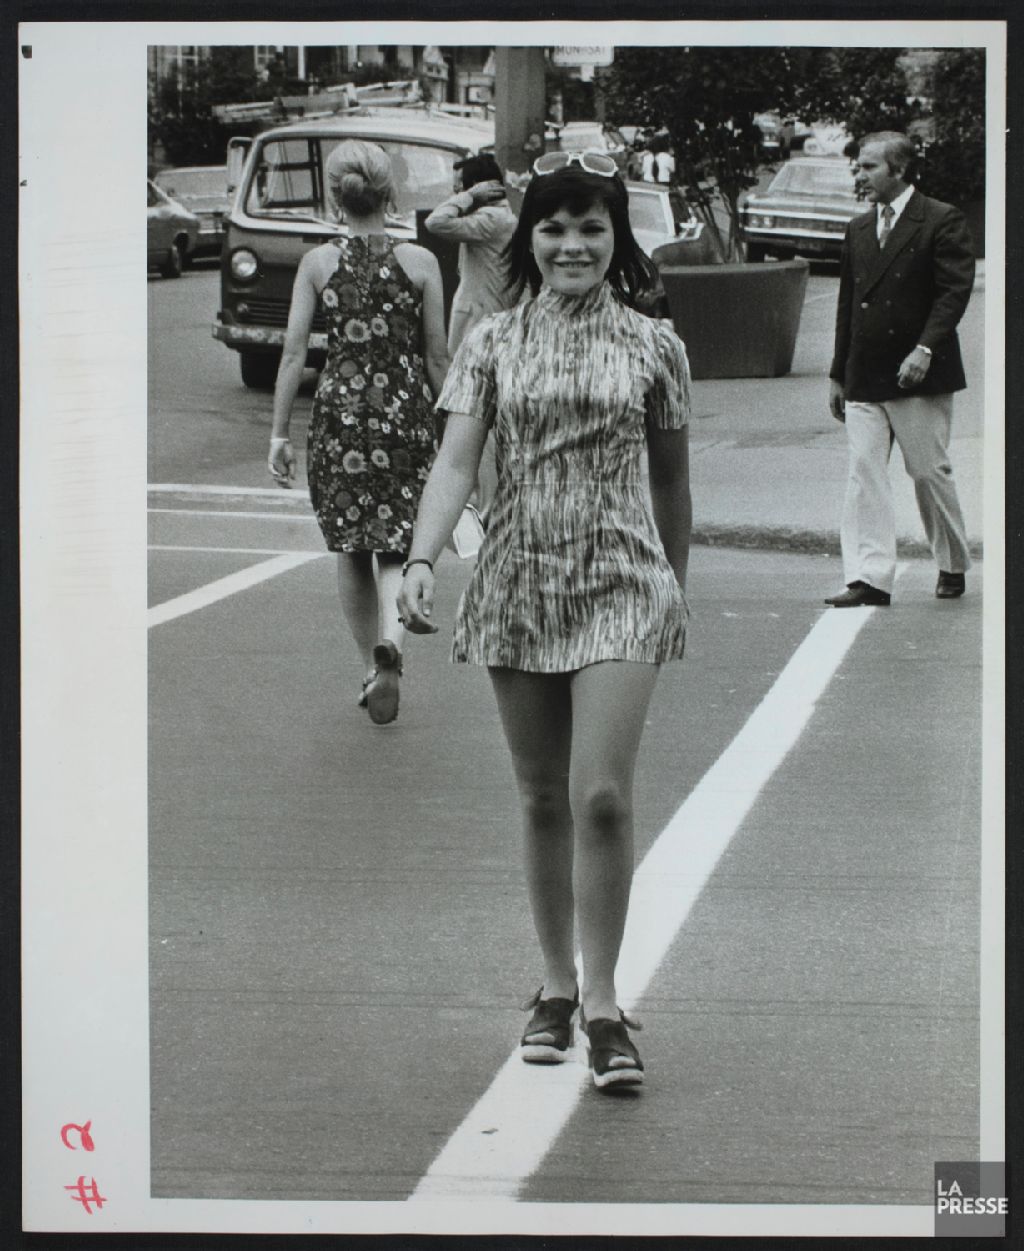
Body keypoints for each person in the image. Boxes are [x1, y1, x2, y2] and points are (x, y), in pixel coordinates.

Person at [396, 151, 693, 1090]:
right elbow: (455, 462)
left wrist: (673, 588)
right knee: (540, 795)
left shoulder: (656, 345)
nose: (572, 245)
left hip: (623, 581)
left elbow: (673, 482)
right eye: (554, 228)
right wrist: (421, 556)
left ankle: (603, 1003)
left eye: (591, 227)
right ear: (528, 239)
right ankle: (556, 986)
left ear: (616, 237)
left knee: (600, 794)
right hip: (518, 577)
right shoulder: (491, 341)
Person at [268, 140, 448, 723]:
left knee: (351, 549)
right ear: (389, 194)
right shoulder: (420, 262)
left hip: (339, 422)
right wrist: (453, 431)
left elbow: (293, 352)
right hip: (404, 417)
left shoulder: (318, 264)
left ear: (335, 198)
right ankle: (392, 643)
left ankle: (371, 665)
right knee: (397, 542)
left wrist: (279, 434)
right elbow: (437, 357)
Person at [826, 130, 975, 607]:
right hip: (865, 372)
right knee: (864, 475)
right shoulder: (858, 229)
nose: (859, 174)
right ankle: (870, 578)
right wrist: (837, 374)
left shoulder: (940, 219)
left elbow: (953, 292)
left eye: (869, 166)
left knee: (928, 472)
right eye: (858, 166)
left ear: (900, 169)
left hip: (919, 372)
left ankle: (951, 561)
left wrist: (925, 348)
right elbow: (848, 305)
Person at [425, 154, 518, 520]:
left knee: (478, 416)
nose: (455, 194)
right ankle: (484, 499)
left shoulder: (492, 219)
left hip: (478, 326)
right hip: (483, 322)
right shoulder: (498, 219)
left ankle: (486, 505)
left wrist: (470, 197)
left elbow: (436, 221)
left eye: (459, 186)